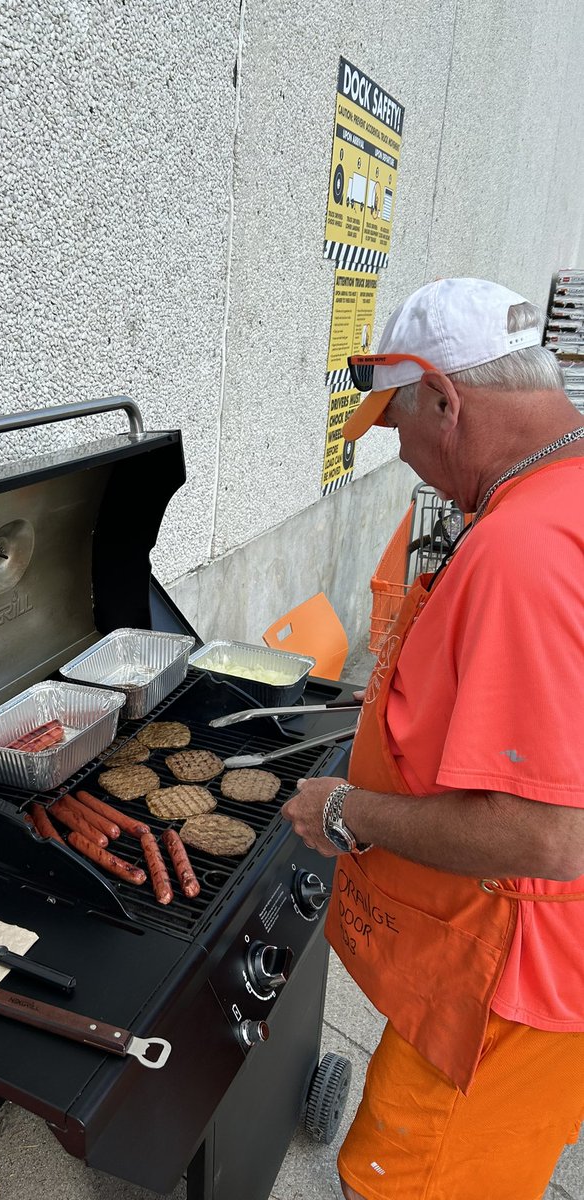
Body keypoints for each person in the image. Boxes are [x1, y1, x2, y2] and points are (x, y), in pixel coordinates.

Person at [281, 277, 584, 1200]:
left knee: (401, 1182)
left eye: (399, 428)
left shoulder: (523, 549)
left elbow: (549, 834)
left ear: (446, 401)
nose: (404, 455)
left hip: (506, 989)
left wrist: (345, 812)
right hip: (544, 980)